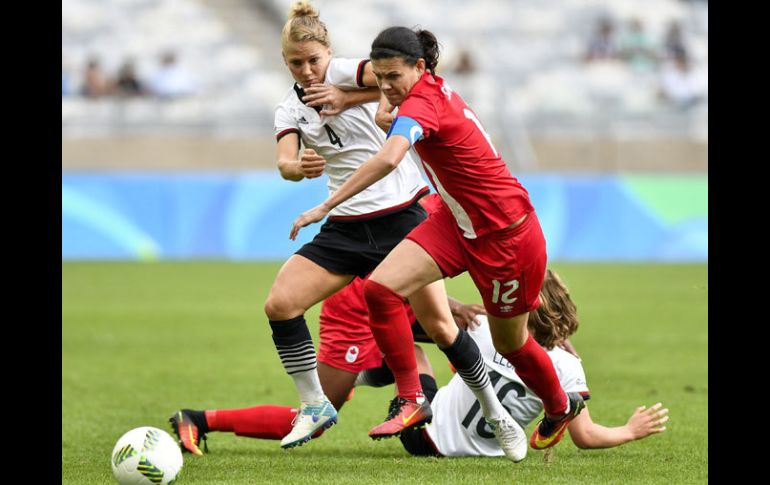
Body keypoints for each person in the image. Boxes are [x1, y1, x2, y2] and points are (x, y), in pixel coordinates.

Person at [289, 26, 584, 457]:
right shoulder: (422, 92)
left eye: (393, 76)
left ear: (420, 67)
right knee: (380, 290)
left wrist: (324, 206)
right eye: (380, 76)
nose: (386, 85)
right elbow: (387, 116)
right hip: (456, 219)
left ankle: (560, 406)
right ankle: (411, 399)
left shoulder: (425, 102)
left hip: (505, 235)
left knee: (511, 343)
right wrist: (375, 100)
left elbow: (389, 157)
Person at [259, 2, 478, 453]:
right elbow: (284, 161)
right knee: (280, 303)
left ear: (328, 53)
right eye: (296, 63)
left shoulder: (347, 72)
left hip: (401, 213)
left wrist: (349, 97)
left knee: (439, 323)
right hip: (347, 226)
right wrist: (298, 168)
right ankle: (315, 403)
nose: (307, 70)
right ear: (285, 63)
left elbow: (400, 86)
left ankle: (491, 405)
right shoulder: (287, 110)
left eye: (313, 60)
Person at [169, 270, 667, 460]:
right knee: (322, 410)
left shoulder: (488, 325)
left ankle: (391, 378)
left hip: (417, 404)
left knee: (433, 345)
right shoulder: (570, 371)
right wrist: (628, 429)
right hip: (363, 308)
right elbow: (585, 435)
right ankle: (390, 377)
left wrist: (449, 303)